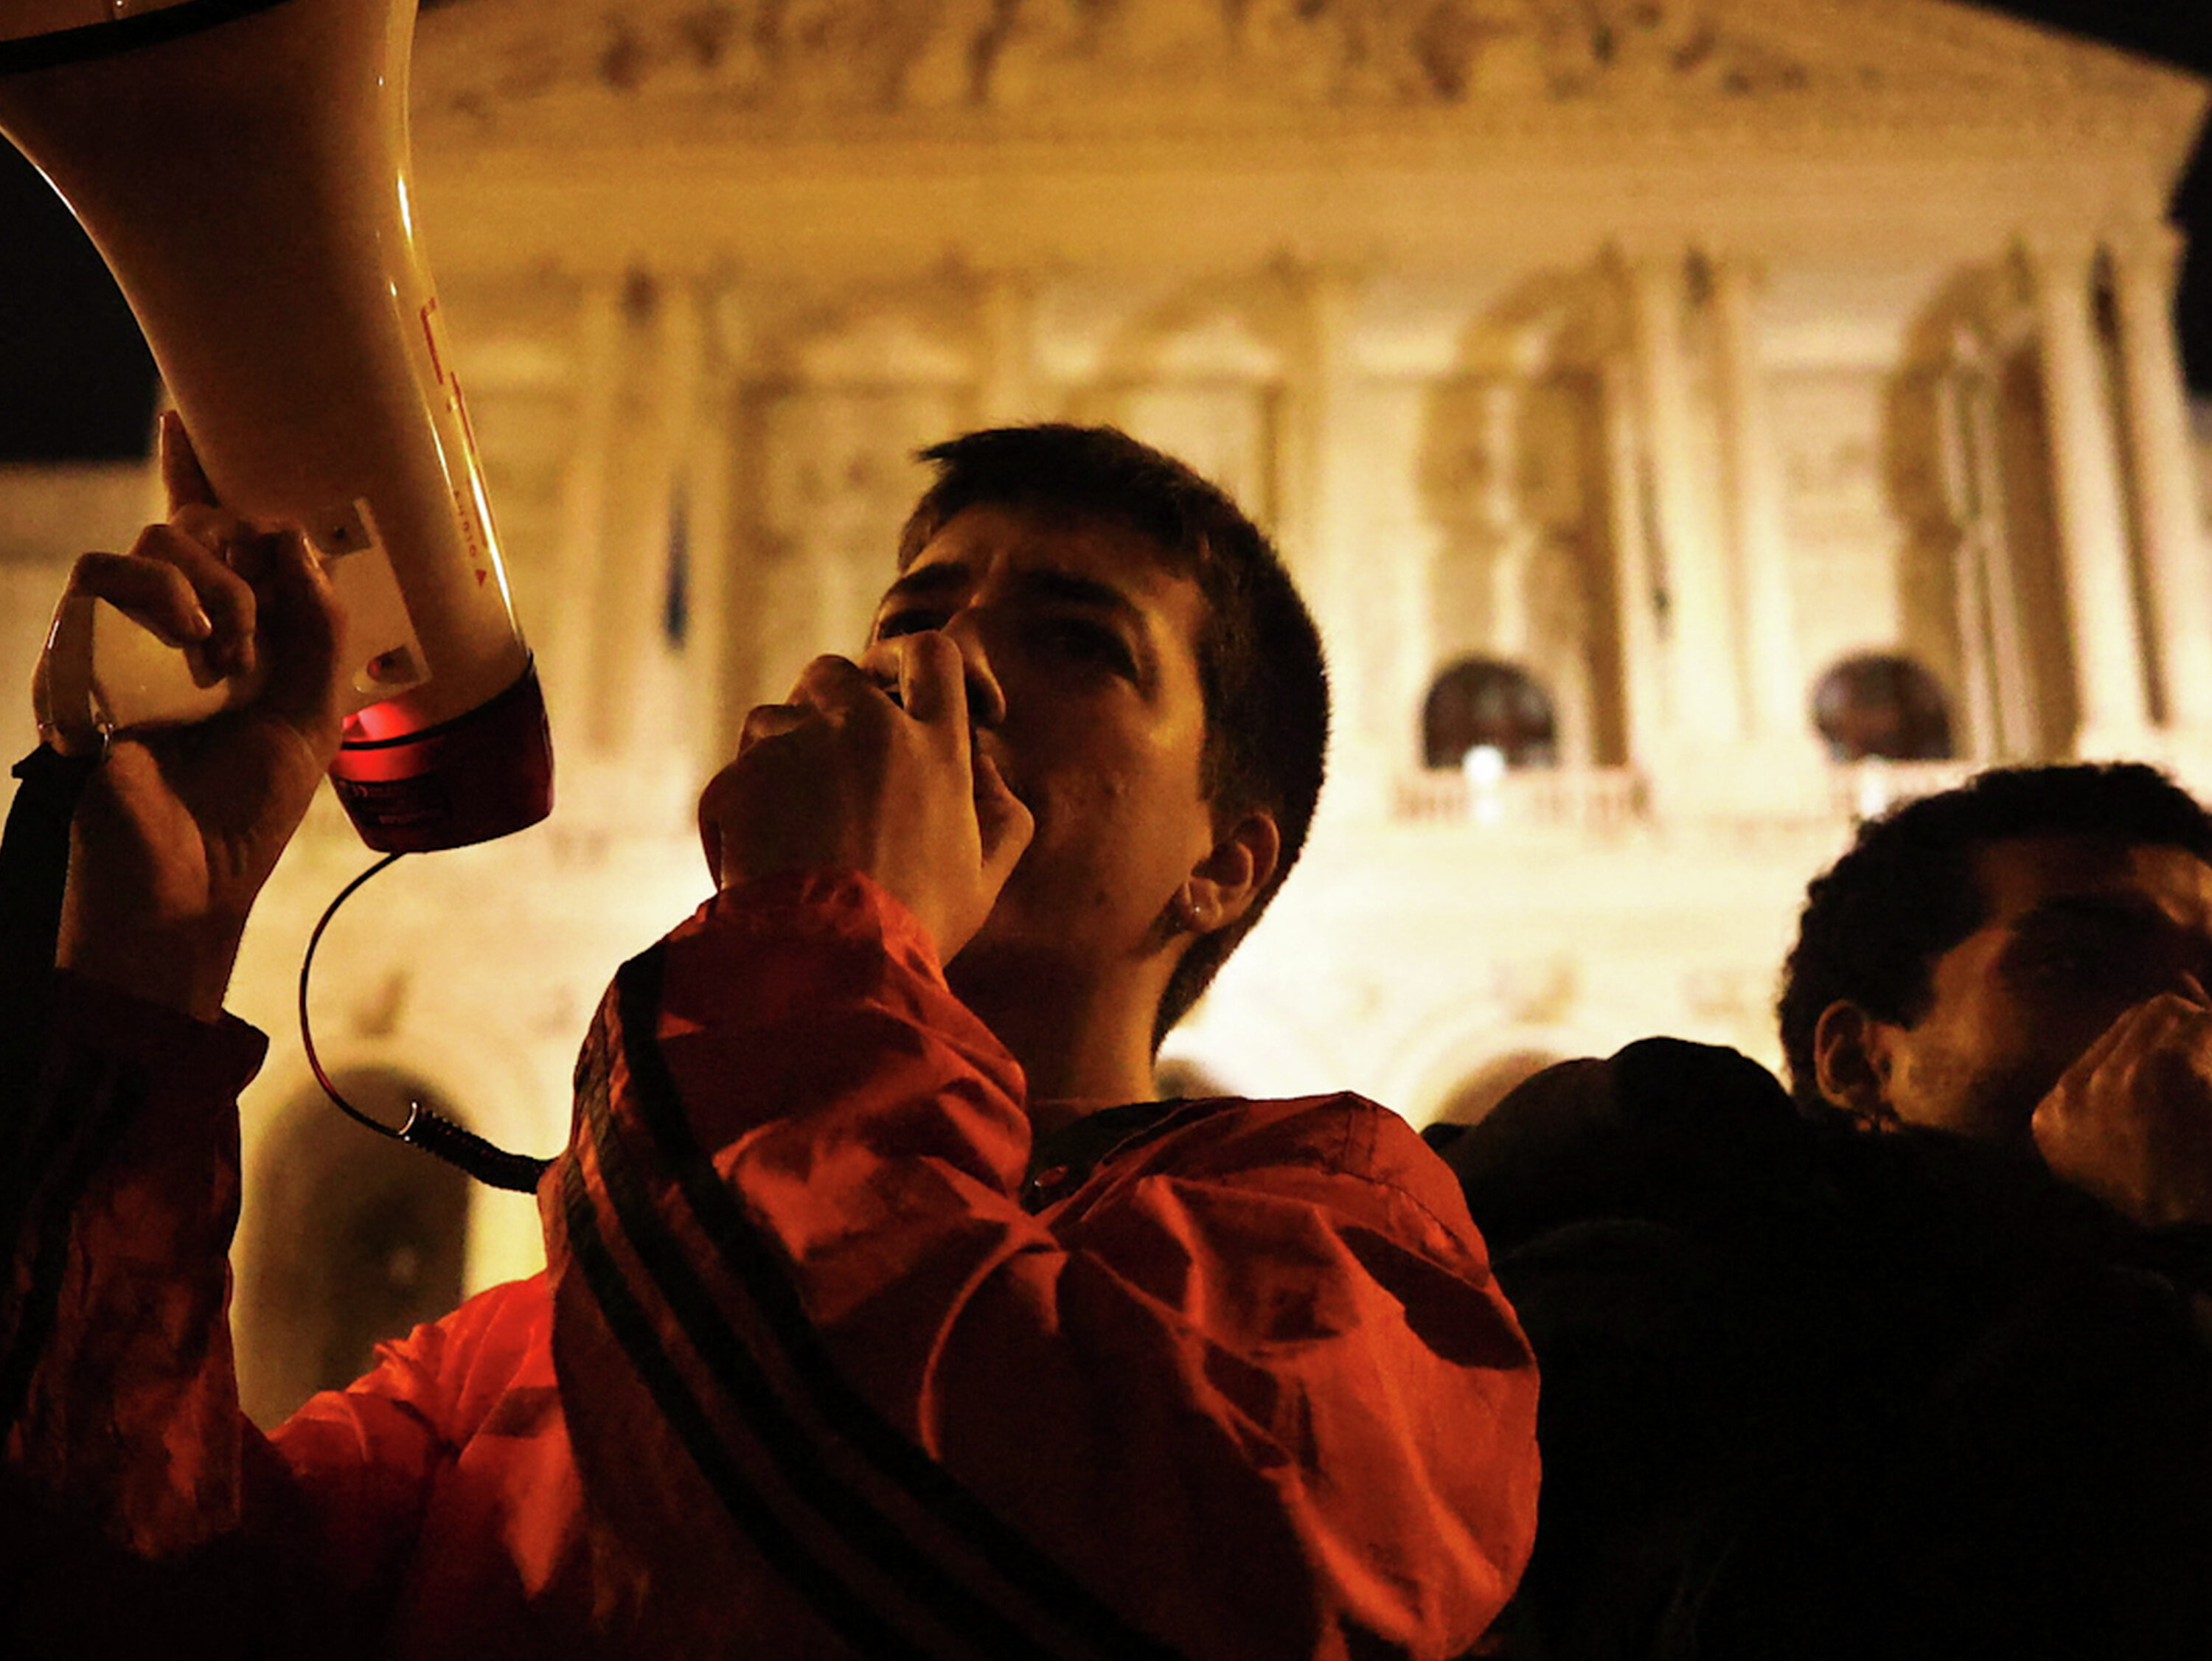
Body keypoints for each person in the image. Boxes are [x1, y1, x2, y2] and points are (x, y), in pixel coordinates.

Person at [1, 417, 1538, 1660]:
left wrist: (831, 916)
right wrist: (149, 965)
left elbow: (890, 1526)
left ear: (1225, 863)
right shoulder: (513, 1352)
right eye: (913, 615)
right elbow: (115, 1600)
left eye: (1080, 642)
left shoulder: (1346, 1244)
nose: (942, 669)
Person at [1430, 760, 2212, 1661]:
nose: (2185, 1017)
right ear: (1859, 1062)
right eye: (2080, 963)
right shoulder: (1662, 1270)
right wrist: (2174, 1259)